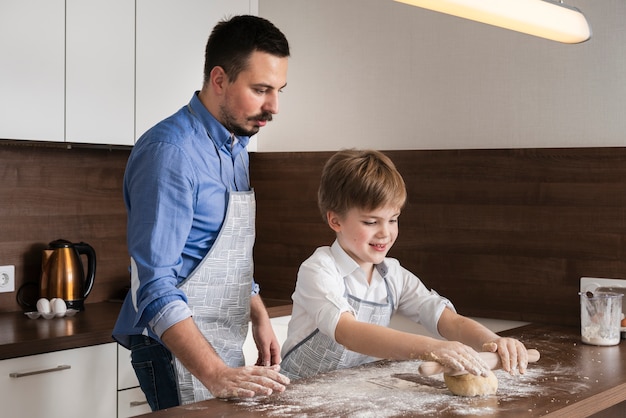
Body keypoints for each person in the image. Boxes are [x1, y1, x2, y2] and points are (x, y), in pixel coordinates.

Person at [112, 15, 291, 410]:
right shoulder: (170, 153)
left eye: (278, 90)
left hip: (220, 337)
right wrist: (215, 374)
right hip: (172, 350)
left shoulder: (236, 145)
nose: (273, 106)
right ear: (220, 79)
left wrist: (257, 312)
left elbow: (220, 252)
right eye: (261, 89)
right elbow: (153, 285)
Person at [280, 149, 530, 381]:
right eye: (371, 222)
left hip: (354, 393)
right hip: (299, 392)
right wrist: (432, 348)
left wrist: (494, 341)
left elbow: (447, 321)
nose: (385, 233)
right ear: (335, 220)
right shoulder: (319, 269)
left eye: (393, 219)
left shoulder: (393, 275)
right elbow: (347, 331)